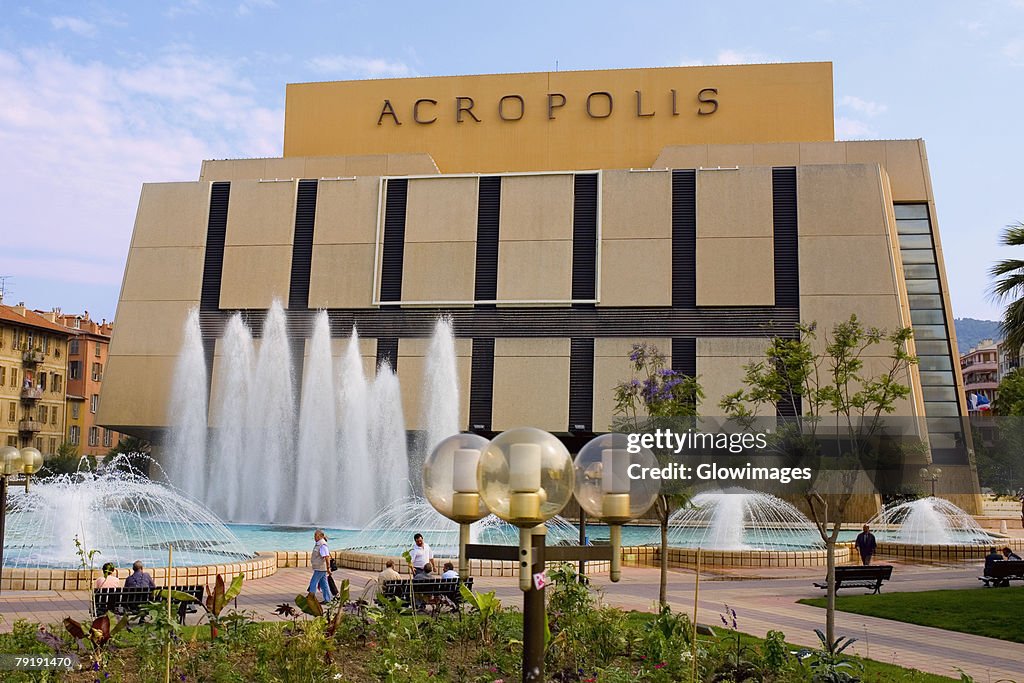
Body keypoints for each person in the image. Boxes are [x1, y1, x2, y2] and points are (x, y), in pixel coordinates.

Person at [308, 529, 333, 603]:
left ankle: (311, 599)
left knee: (313, 582)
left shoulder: (322, 544)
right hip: (319, 567)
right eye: (314, 535)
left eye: (316, 535)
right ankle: (327, 599)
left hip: (320, 568)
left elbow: (327, 557)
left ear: (320, 536)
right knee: (324, 584)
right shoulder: (319, 544)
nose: (314, 537)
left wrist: (328, 568)